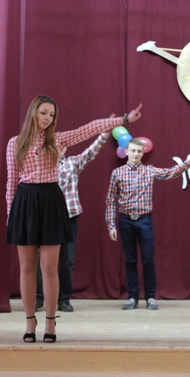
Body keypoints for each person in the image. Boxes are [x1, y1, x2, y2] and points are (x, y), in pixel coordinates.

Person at [6, 94, 142, 343]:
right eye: (44, 112)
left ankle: (50, 321)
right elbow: (11, 181)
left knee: (50, 266)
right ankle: (29, 321)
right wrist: (10, 216)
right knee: (26, 266)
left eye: (52, 115)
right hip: (25, 202)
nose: (48, 118)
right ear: (33, 112)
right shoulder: (15, 143)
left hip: (51, 200)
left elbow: (88, 129)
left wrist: (123, 119)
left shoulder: (57, 139)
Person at [106, 139, 190, 311]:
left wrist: (187, 163)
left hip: (144, 220)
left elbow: (169, 173)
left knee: (148, 259)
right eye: (133, 151)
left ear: (142, 153)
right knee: (130, 260)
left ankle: (150, 297)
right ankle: (132, 297)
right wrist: (111, 225)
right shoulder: (117, 173)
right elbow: (110, 200)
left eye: (139, 151)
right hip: (126, 221)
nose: (136, 154)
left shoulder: (149, 171)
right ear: (127, 152)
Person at [35, 124, 114, 313]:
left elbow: (90, 153)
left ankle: (64, 299)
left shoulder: (73, 163)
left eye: (61, 145)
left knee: (67, 260)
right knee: (42, 259)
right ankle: (38, 298)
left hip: (69, 216)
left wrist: (103, 135)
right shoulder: (40, 166)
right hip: (46, 219)